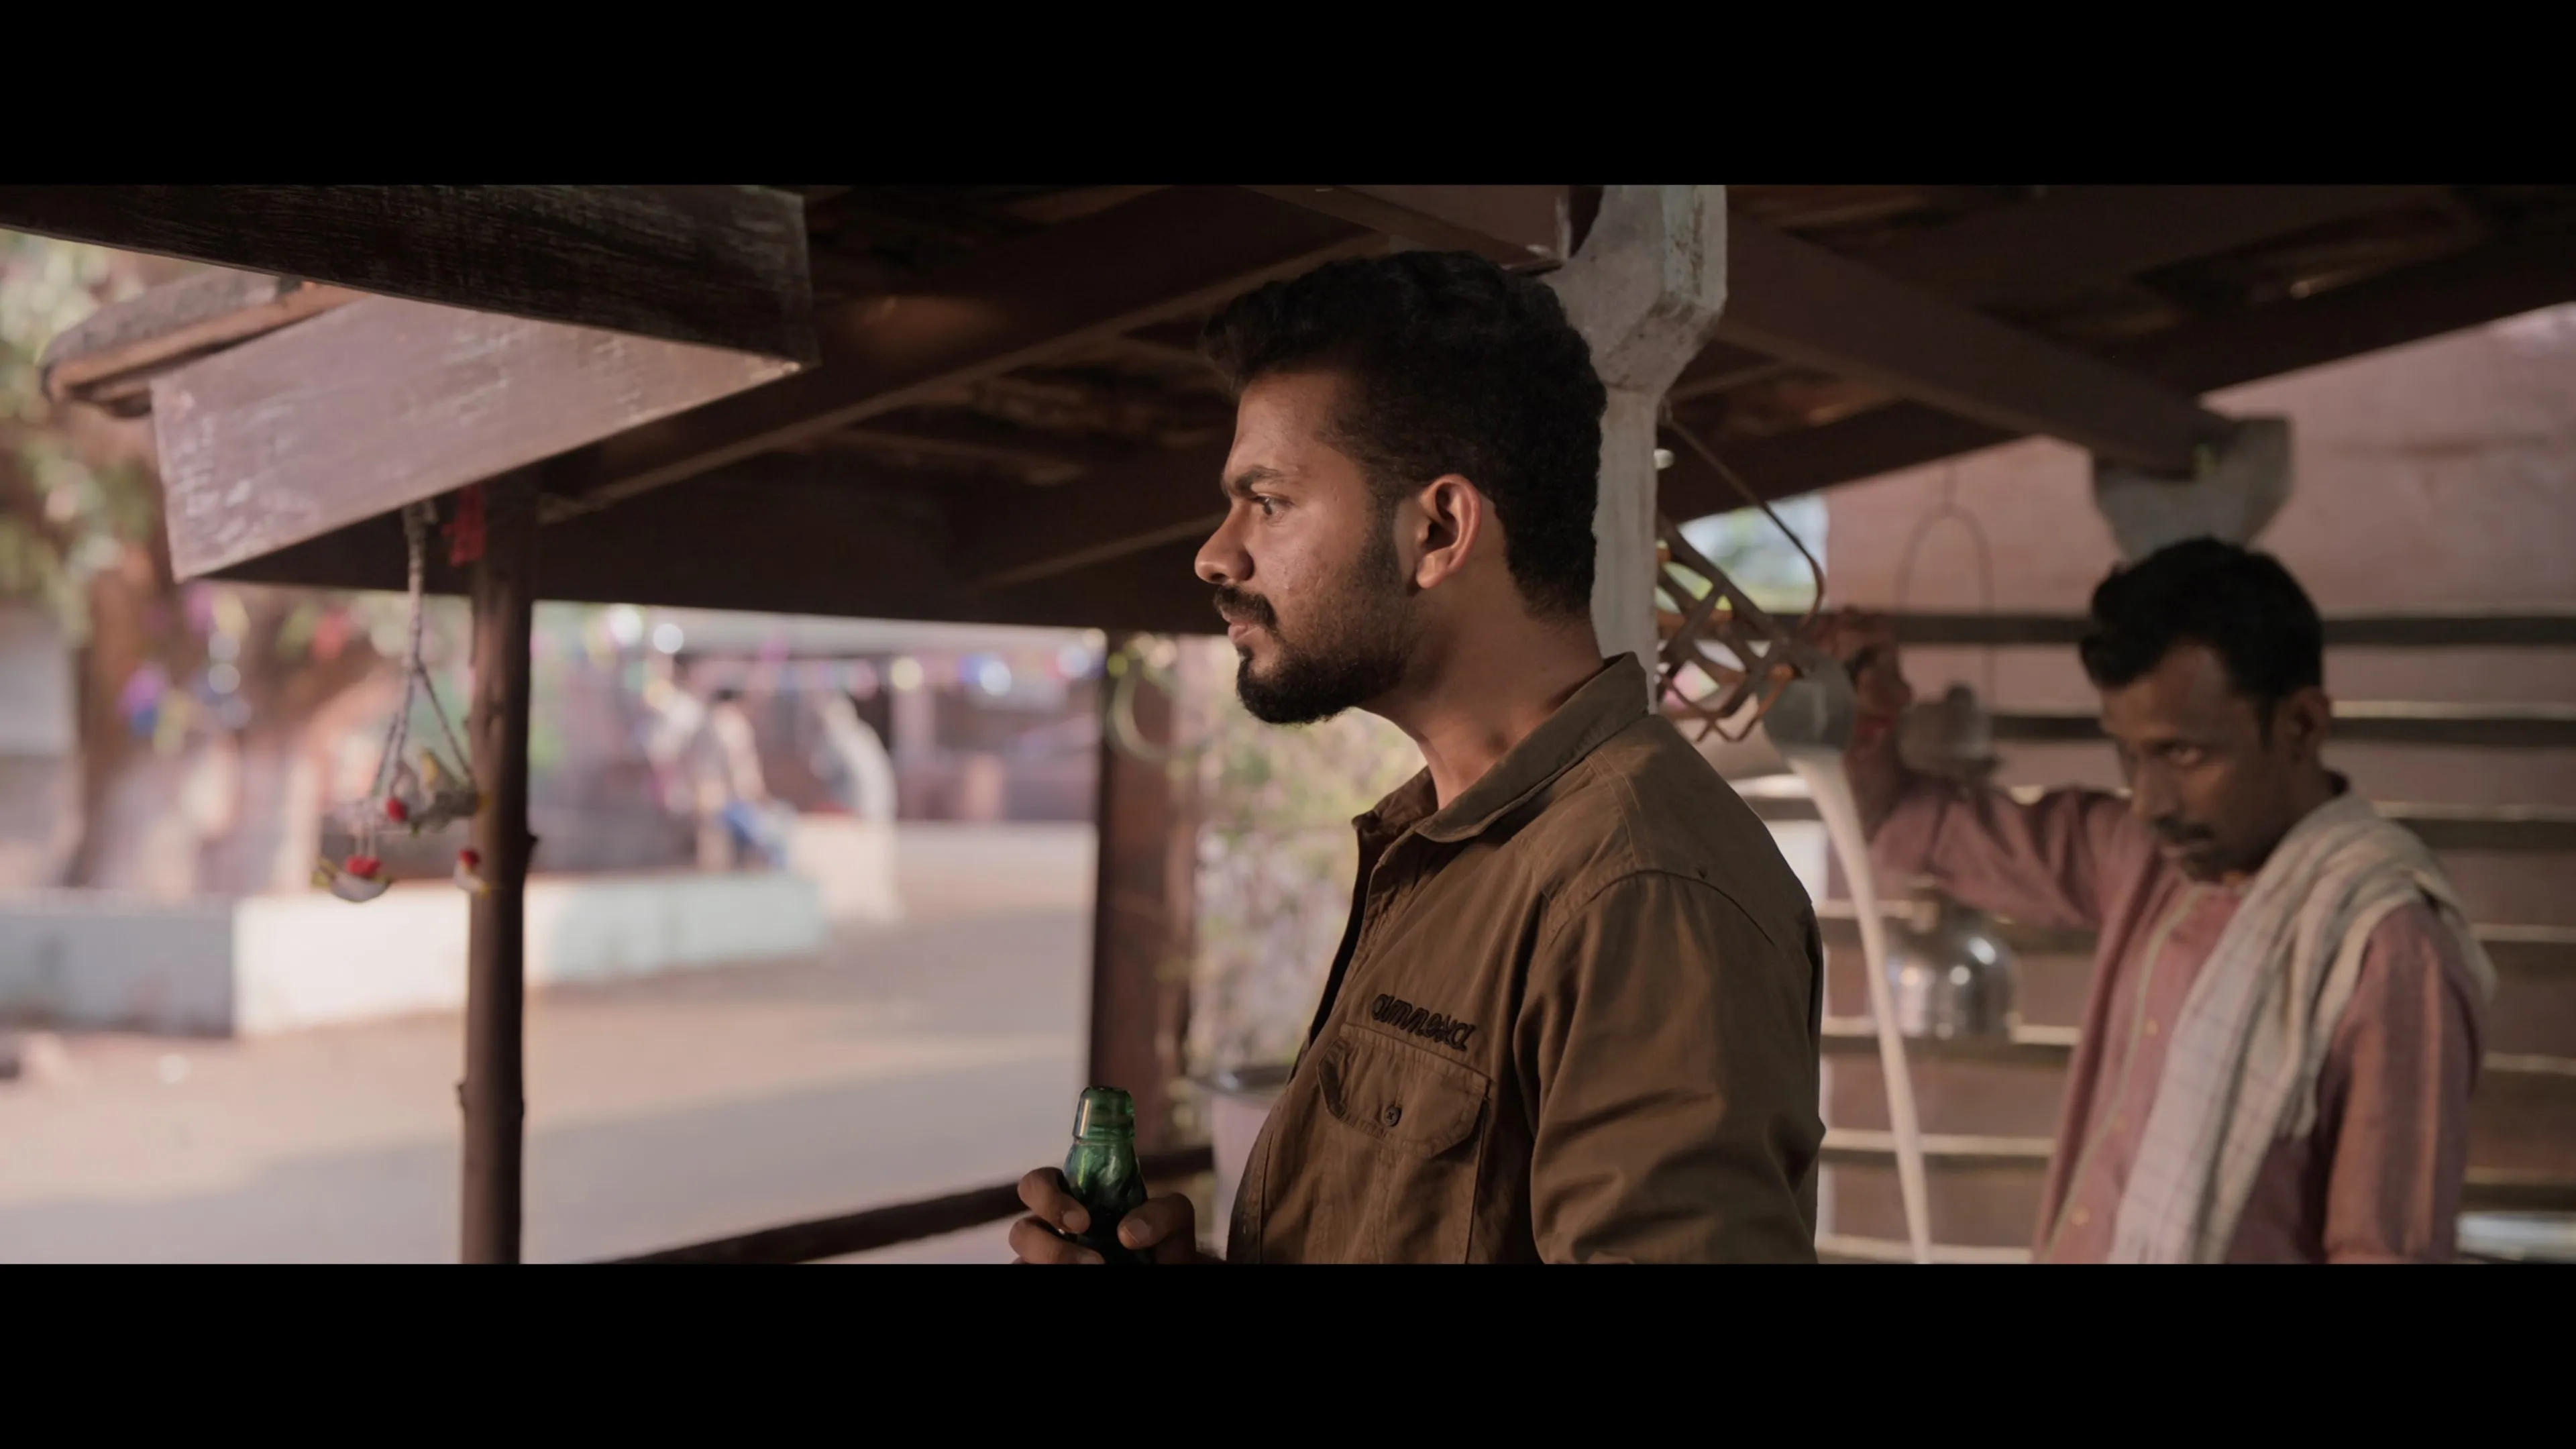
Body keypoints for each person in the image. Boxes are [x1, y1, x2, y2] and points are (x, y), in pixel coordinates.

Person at [1010, 250, 1825, 1265]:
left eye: (1268, 501)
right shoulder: (1457, 843)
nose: (1216, 554)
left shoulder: (1639, 889)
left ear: (1438, 529)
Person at [1832, 539, 2493, 1263]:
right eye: (2130, 754)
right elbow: (1912, 821)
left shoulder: (2388, 950)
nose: (2149, 802)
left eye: (2184, 754)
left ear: (2302, 725)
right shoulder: (2144, 862)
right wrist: (1857, 721)